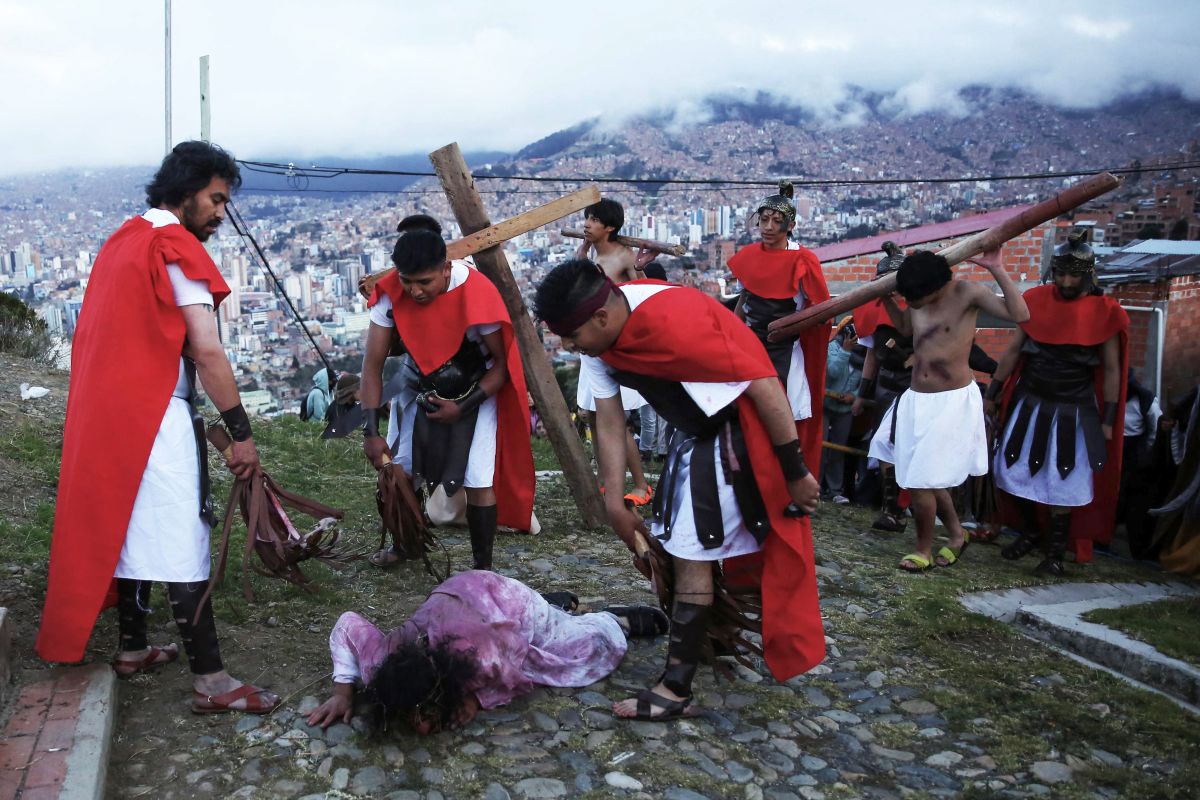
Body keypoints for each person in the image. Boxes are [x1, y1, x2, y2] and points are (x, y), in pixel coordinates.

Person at [35, 141, 279, 714]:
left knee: (126, 524)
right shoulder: (173, 245)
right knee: (179, 532)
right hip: (152, 411)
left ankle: (133, 648)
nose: (221, 212)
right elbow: (208, 350)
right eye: (217, 199)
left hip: (102, 414)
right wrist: (240, 432)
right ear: (188, 189)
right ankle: (212, 681)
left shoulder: (122, 241)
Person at [534, 260, 825, 721]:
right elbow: (609, 419)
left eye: (571, 336)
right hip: (694, 436)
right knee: (681, 547)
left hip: (738, 434)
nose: (568, 346)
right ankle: (709, 642)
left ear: (601, 318)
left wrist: (795, 471)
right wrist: (613, 496)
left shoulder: (679, 320)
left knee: (691, 552)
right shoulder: (600, 339)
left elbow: (764, 385)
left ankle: (675, 689)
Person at [305, 571, 668, 733]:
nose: (421, 726)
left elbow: (514, 654)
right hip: (461, 598)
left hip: (507, 601)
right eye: (411, 715)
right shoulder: (381, 662)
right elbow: (346, 623)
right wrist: (344, 689)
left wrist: (478, 700)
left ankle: (612, 621)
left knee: (576, 657)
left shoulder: (479, 655)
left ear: (446, 690)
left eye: (426, 712)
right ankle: (555, 605)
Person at [362, 229, 534, 570]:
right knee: (400, 468)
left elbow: (500, 366)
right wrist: (370, 431)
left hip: (476, 386)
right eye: (408, 281)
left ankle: (482, 566)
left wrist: (463, 406)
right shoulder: (391, 294)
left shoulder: (476, 292)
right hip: (418, 382)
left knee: (478, 477)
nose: (415, 290)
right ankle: (405, 544)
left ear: (445, 268)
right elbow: (372, 365)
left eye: (424, 281)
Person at [868, 249, 1029, 573]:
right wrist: (886, 297)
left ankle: (923, 549)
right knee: (924, 476)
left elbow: (1019, 314)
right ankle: (957, 536)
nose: (911, 302)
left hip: (950, 401)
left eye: (914, 297)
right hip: (916, 398)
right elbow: (904, 328)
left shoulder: (968, 293)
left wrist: (997, 267)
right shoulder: (916, 298)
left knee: (919, 480)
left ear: (937, 286)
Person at [987, 230, 1128, 575]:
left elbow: (1111, 370)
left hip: (1074, 409)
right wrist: (993, 393)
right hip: (1029, 401)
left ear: (1088, 274)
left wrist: (1108, 419)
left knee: (1064, 479)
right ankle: (1031, 533)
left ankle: (1055, 553)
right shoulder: (1036, 299)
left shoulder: (1106, 312)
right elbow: (1013, 351)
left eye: (1074, 274)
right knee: (1011, 472)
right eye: (1061, 273)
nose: (1066, 281)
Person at [728, 181, 831, 483]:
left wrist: (790, 327)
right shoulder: (749, 254)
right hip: (751, 343)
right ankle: (748, 476)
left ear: (790, 225)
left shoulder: (803, 260)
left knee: (784, 416)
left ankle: (787, 481)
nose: (769, 226)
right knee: (745, 411)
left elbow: (818, 311)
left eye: (777, 221)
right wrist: (734, 335)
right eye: (764, 219)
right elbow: (744, 300)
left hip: (786, 348)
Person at [573, 198, 658, 506]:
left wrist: (639, 267)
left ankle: (639, 483)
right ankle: (605, 480)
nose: (587, 224)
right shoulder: (587, 254)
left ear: (609, 227)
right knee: (595, 418)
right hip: (590, 347)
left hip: (615, 345)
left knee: (615, 421)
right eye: (587, 218)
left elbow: (643, 295)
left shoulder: (623, 257)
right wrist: (581, 252)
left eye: (594, 220)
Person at [822, 321, 862, 504]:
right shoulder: (832, 348)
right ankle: (814, 485)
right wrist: (845, 351)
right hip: (824, 404)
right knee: (820, 448)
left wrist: (853, 396)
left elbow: (864, 384)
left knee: (838, 450)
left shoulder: (866, 357)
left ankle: (834, 490)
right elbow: (832, 373)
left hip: (845, 410)